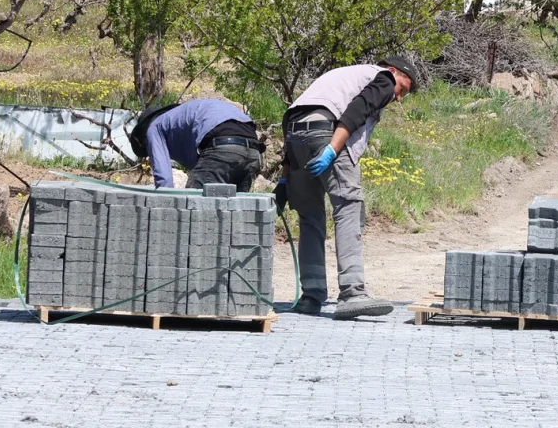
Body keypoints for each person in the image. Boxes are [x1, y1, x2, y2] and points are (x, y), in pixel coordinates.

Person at [281, 55, 423, 319]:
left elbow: (291, 116)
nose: (399, 97)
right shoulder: (383, 77)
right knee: (348, 208)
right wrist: (332, 150)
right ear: (394, 72)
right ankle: (352, 293)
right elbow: (357, 110)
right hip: (326, 133)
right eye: (404, 88)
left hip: (294, 135)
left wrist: (284, 177)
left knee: (310, 217)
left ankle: (311, 296)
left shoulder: (343, 76)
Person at [128, 98, 264, 192]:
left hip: (222, 144)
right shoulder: (179, 118)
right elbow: (199, 163)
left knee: (194, 212)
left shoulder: (154, 128)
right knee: (237, 214)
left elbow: (165, 182)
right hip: (253, 148)